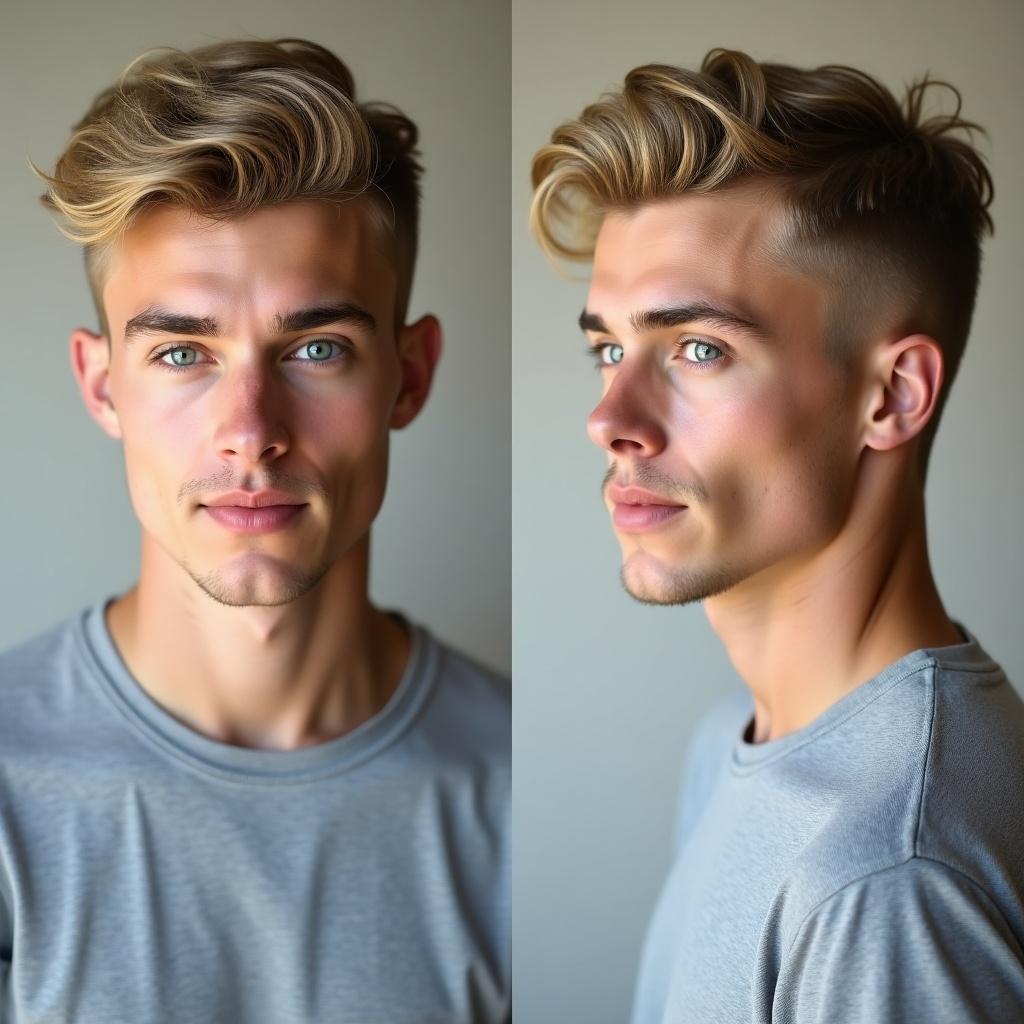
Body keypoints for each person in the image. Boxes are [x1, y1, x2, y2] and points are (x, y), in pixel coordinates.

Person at [0, 37, 509, 1023]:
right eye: (183, 352)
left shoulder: (519, 791)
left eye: (316, 348)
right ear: (103, 386)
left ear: (409, 373)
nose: (251, 433)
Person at [530, 47, 1024, 1023]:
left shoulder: (886, 875)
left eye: (699, 348)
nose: (611, 415)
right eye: (608, 348)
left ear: (889, 396)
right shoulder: (736, 741)